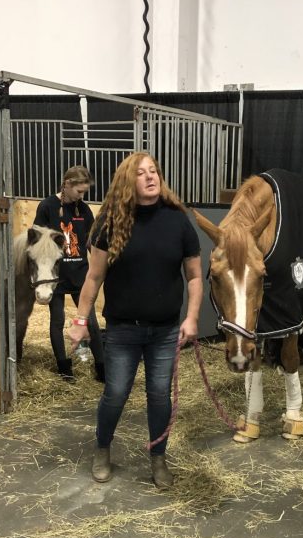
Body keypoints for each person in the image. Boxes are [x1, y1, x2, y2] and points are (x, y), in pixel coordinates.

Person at [67, 151, 203, 488]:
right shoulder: (110, 222)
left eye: (153, 171)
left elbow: (195, 276)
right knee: (115, 393)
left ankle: (158, 458)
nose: (150, 177)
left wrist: (192, 318)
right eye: (141, 173)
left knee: (159, 396)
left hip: (165, 331)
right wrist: (80, 320)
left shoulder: (177, 220)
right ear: (128, 181)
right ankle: (102, 449)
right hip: (123, 330)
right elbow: (94, 277)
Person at [34, 165, 105, 382]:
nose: (81, 196)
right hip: (55, 274)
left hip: (79, 273)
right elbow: (37, 239)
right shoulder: (47, 206)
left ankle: (102, 367)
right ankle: (64, 368)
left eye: (84, 192)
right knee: (57, 319)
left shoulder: (83, 210)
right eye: (79, 191)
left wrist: (102, 264)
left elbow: (91, 241)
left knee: (91, 322)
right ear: (67, 184)